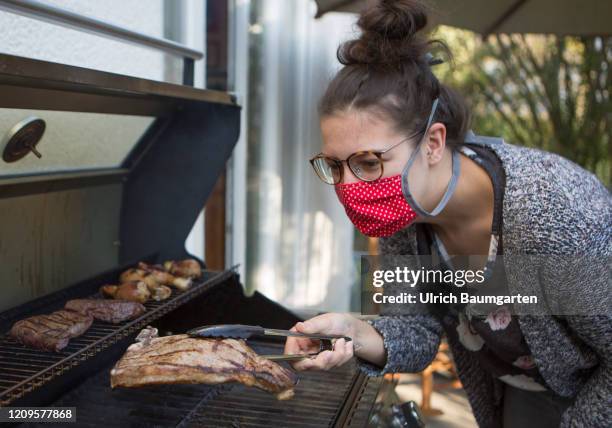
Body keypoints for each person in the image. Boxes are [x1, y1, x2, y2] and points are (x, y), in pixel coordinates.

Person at [283, 1, 611, 427]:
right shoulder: (405, 214)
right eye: (335, 165)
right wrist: (356, 331)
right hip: (517, 393)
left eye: (367, 162)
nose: (348, 186)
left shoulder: (551, 212)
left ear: (434, 143)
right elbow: (416, 334)